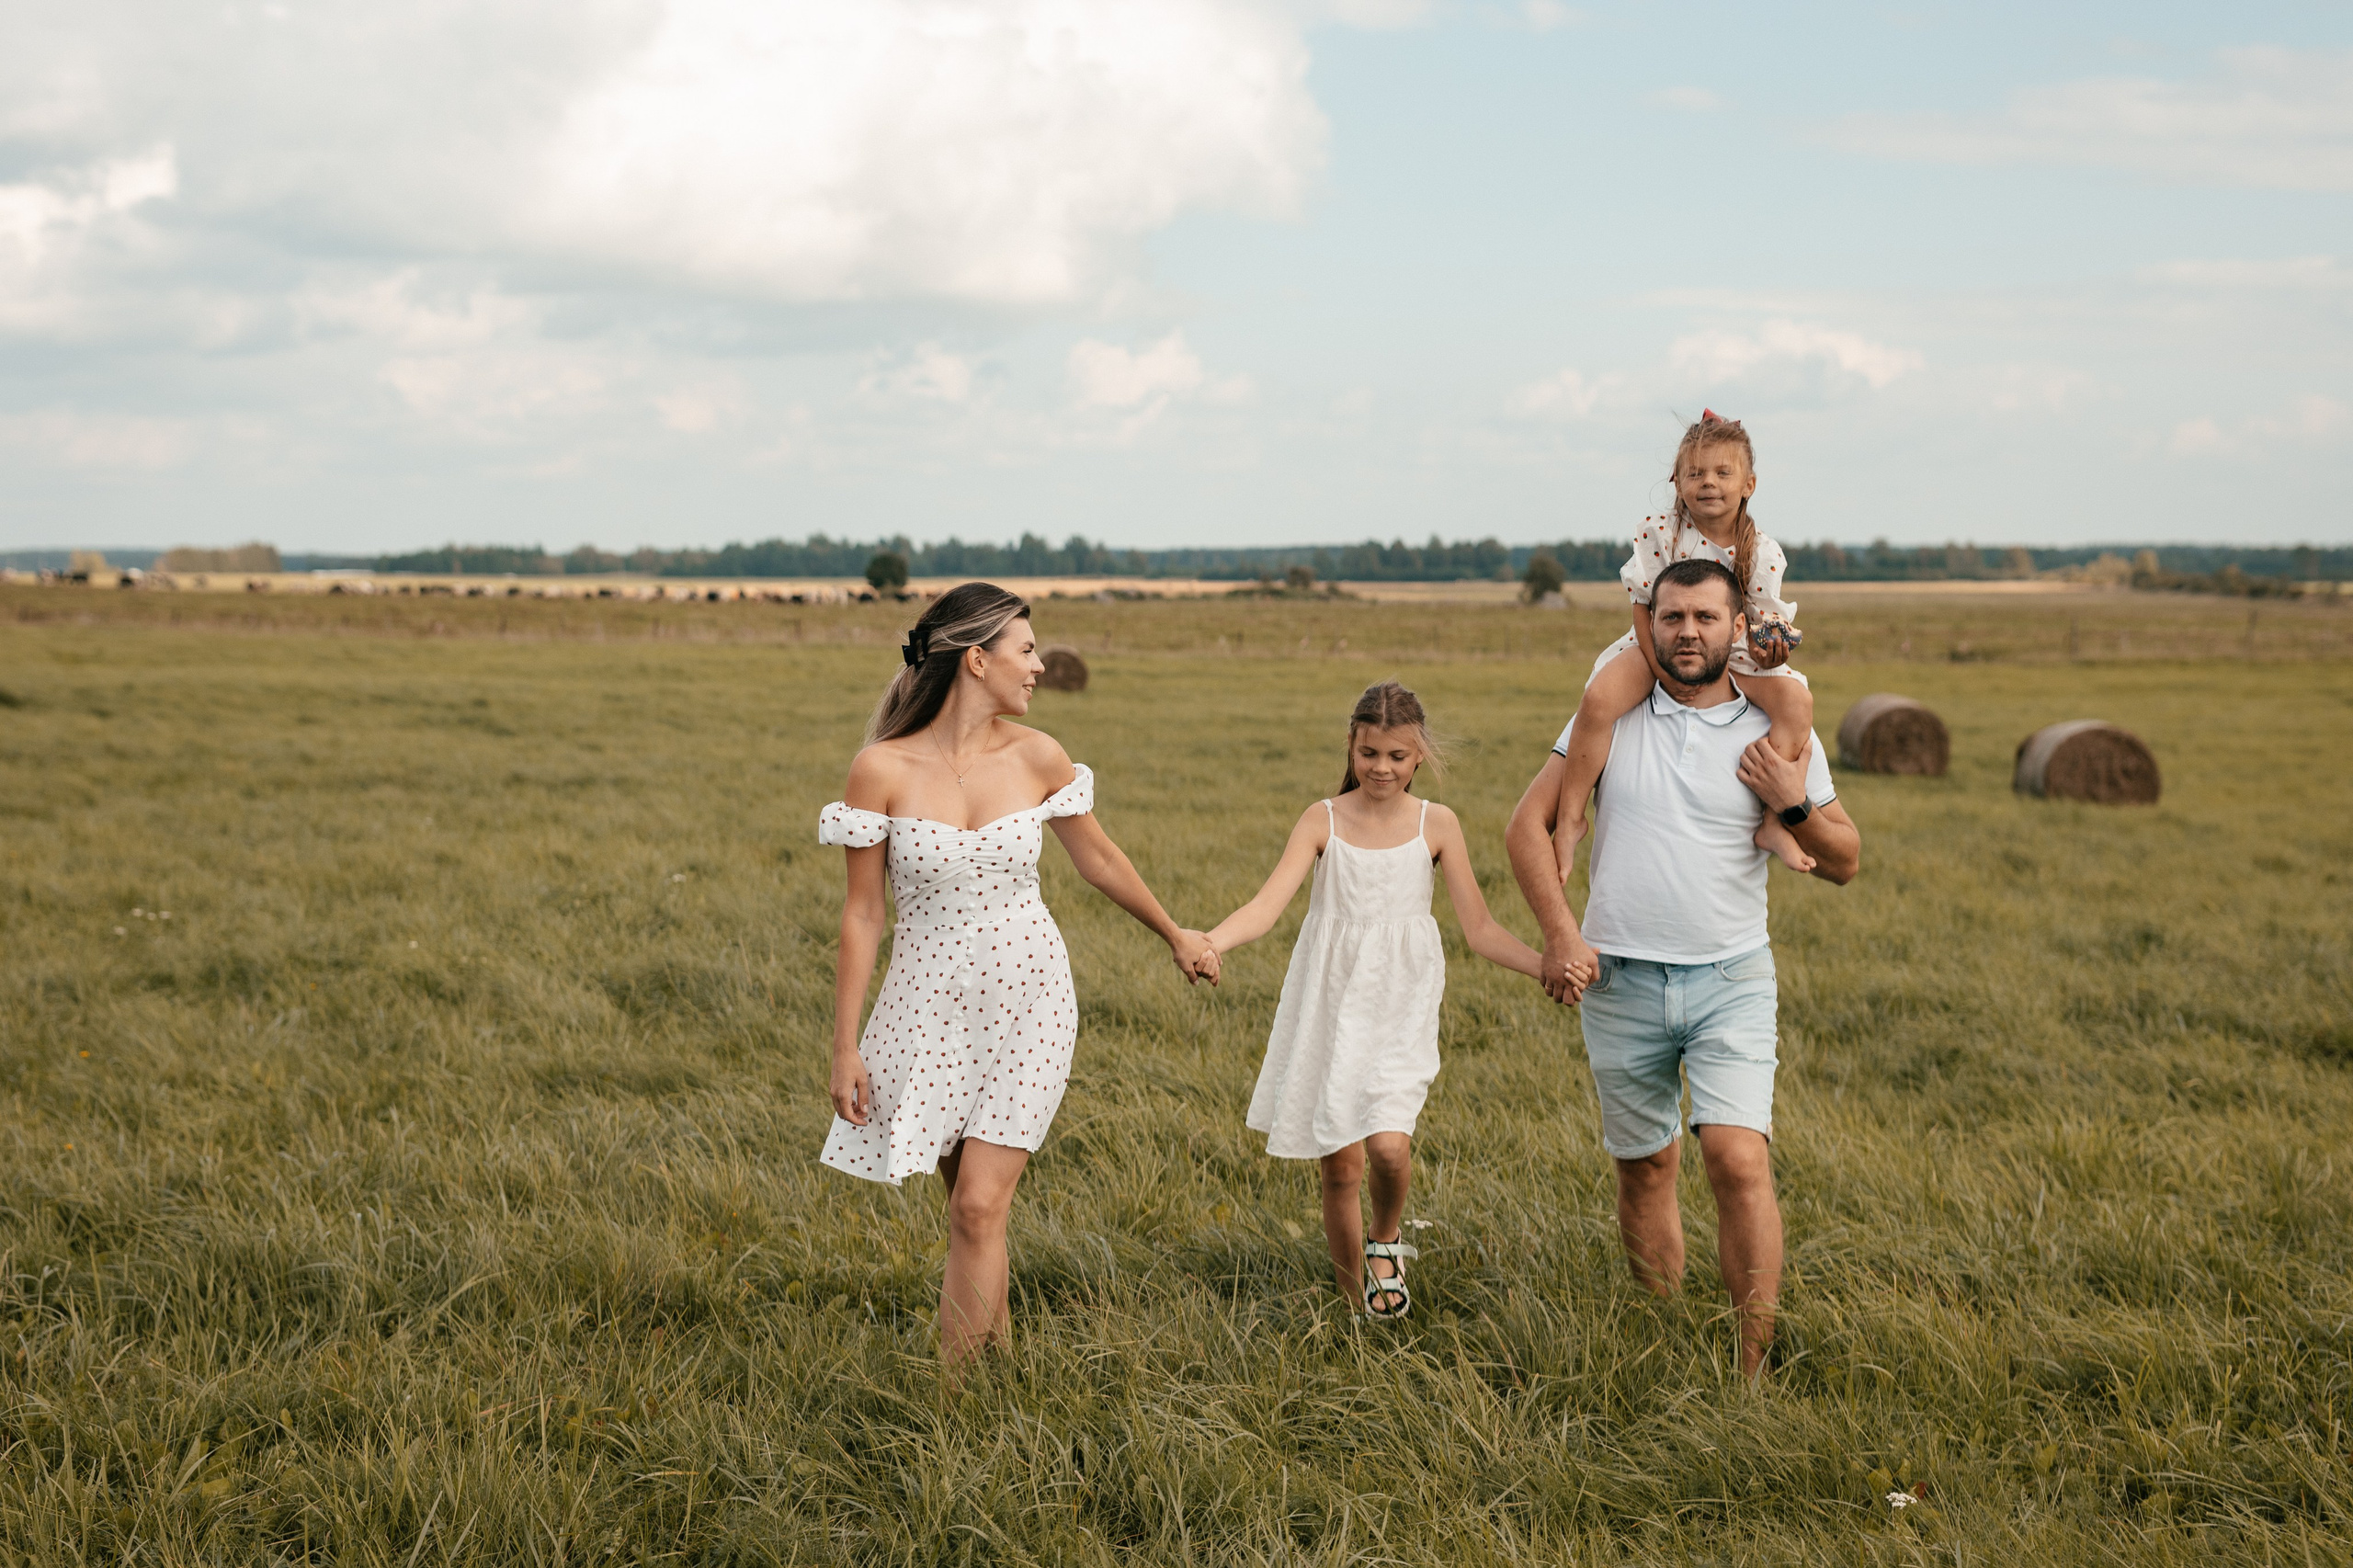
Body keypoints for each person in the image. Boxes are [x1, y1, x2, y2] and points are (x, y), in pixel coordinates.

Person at [817, 582, 1220, 1366]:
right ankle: (999, 1375)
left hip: (1030, 997)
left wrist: (1174, 932)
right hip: (924, 1006)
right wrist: (845, 1046)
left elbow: (1099, 858)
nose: (1039, 667)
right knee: (975, 1217)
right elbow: (863, 915)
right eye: (1027, 651)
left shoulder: (1040, 756)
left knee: (975, 1204)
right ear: (976, 660)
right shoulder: (880, 769)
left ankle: (953, 1411)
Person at [1506, 558, 1860, 1377]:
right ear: (1648, 625)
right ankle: (1658, 1335)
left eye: (1705, 617)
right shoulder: (1612, 714)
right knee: (1646, 1167)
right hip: (1620, 981)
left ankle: (1753, 1366)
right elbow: (1526, 828)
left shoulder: (1773, 732)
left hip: (1730, 978)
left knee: (1737, 1158)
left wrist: (1795, 803)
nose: (1687, 632)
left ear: (1739, 628)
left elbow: (1844, 860)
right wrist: (1561, 935)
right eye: (1672, 618)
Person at [1198, 681, 1543, 1318]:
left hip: (1400, 1006)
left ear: (1419, 758)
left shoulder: (1436, 824)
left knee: (1388, 1146)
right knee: (1339, 1168)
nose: (1382, 768)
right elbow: (1267, 907)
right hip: (1329, 1005)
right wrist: (1212, 942)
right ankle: (1354, 1303)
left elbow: (1481, 928)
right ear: (1352, 749)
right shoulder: (1322, 819)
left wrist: (1545, 966)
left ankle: (1387, 1236)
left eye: (1397, 757)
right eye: (1370, 754)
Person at [1553, 411, 1816, 880]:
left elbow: (1761, 619)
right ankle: (1571, 817)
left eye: (1722, 472)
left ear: (1749, 484)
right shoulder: (1660, 531)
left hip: (1730, 653)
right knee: (1597, 699)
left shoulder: (1763, 551)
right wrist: (1661, 670)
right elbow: (1641, 606)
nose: (1708, 483)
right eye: (1695, 473)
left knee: (1796, 702)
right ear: (1677, 482)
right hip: (1659, 644)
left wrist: (1770, 648)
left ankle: (1774, 823)